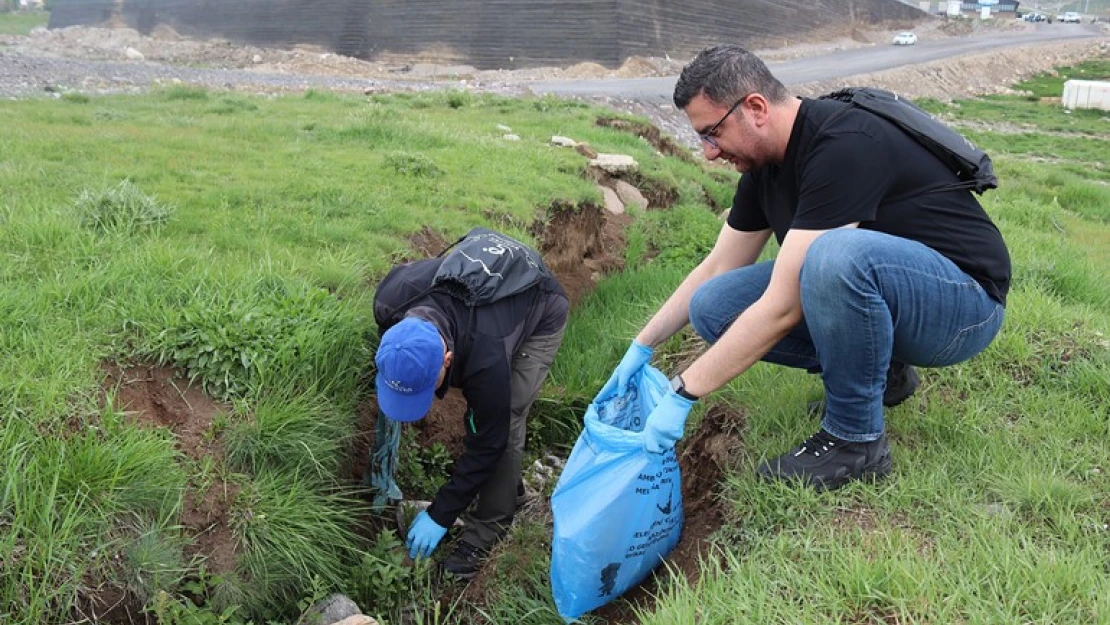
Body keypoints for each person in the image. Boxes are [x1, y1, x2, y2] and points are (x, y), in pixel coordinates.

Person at [600, 45, 1010, 491]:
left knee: (835, 258)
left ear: (755, 107)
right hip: (896, 295)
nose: (708, 153)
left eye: (712, 133)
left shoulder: (845, 143)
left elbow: (783, 305)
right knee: (715, 306)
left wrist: (682, 392)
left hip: (964, 304)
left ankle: (855, 442)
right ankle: (883, 373)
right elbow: (718, 266)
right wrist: (641, 348)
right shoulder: (765, 165)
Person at [373, 228, 569, 578]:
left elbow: (488, 442)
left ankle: (487, 530)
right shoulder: (392, 300)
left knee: (505, 422)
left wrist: (440, 514)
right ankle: (508, 487)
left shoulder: (485, 359)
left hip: (539, 304)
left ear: (448, 359)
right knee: (490, 418)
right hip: (480, 287)